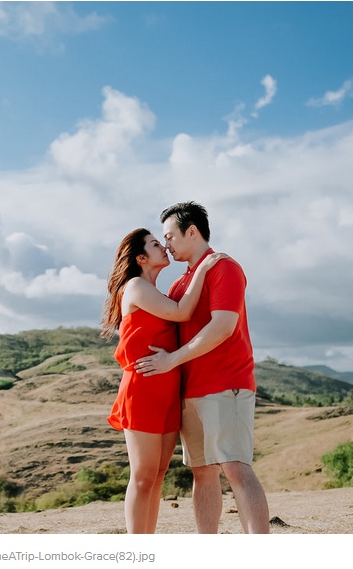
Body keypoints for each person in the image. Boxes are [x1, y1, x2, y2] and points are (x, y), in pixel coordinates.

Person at [134, 201, 270, 534]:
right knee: (202, 472)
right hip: (191, 391)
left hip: (227, 385)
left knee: (236, 469)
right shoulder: (181, 286)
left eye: (170, 236)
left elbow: (223, 326)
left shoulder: (225, 267)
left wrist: (171, 360)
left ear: (191, 231)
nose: (166, 245)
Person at [101, 227, 224, 533]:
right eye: (156, 244)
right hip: (142, 389)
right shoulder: (136, 286)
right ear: (141, 257)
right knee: (143, 476)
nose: (164, 247)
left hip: (167, 389)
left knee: (157, 475)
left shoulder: (155, 292)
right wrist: (203, 267)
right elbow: (182, 312)